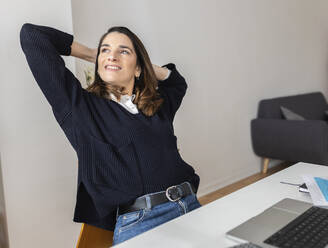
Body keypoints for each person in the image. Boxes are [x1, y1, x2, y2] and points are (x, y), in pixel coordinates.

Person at [20, 23, 201, 245]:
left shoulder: (156, 107)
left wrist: (140, 65)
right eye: (105, 49)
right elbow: (32, 35)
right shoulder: (81, 109)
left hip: (191, 205)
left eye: (123, 51)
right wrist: (93, 55)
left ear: (138, 68)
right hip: (144, 221)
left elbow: (176, 82)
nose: (112, 56)